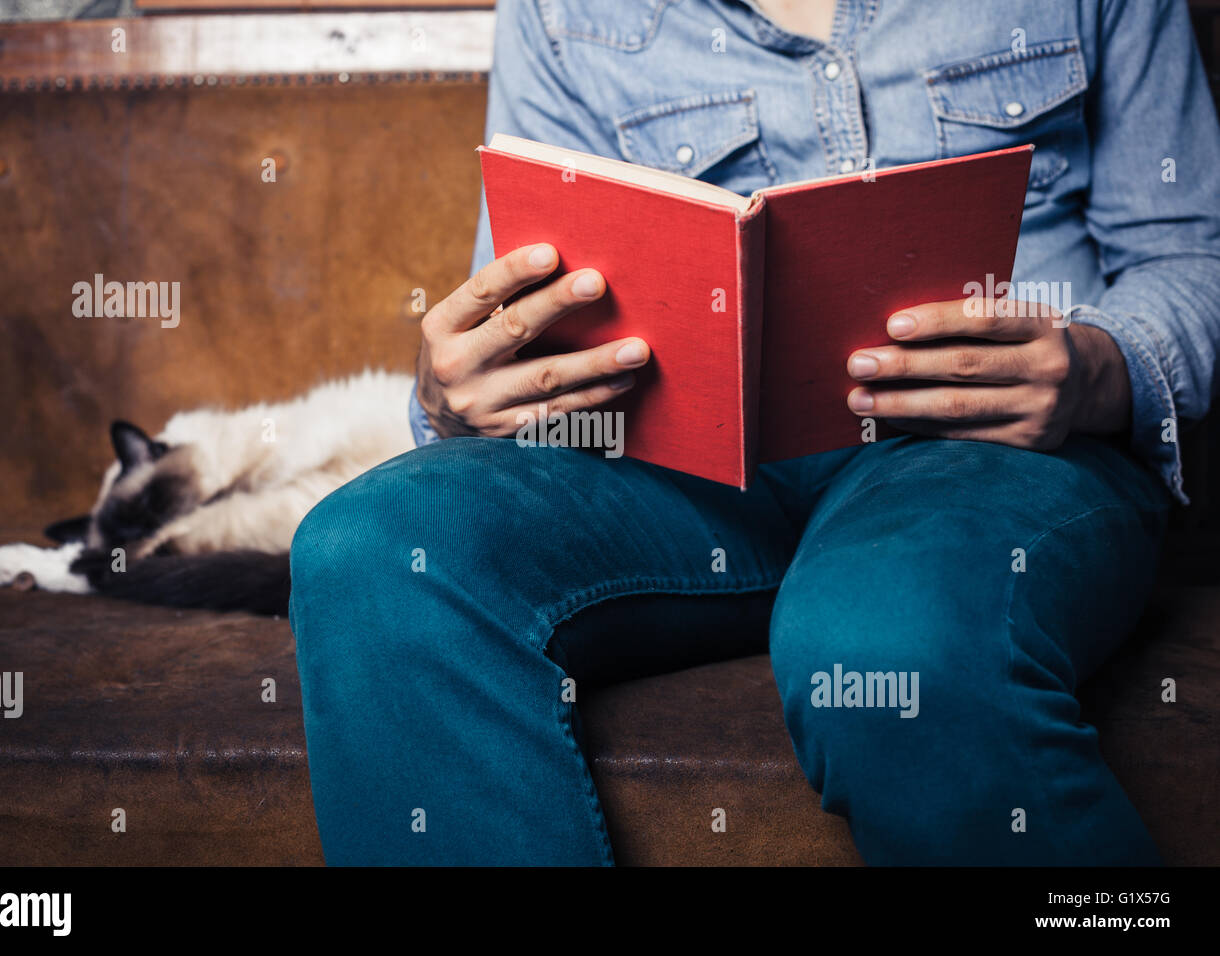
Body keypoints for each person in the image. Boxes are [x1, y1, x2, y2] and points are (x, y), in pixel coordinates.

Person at [288, 0, 1220, 864]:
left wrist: (1095, 369)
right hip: (674, 470)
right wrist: (456, 397)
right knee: (374, 549)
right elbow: (519, 315)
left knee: (883, 637)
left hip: (987, 453)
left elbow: (1194, 254)